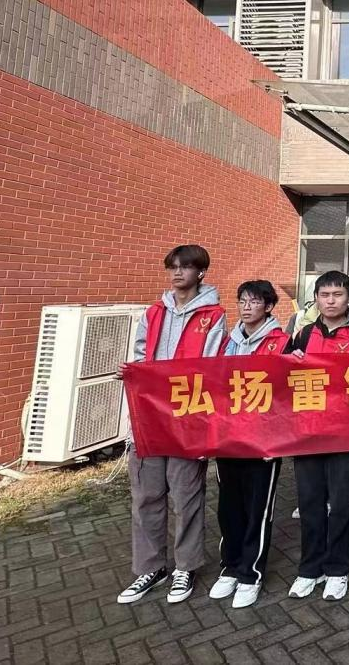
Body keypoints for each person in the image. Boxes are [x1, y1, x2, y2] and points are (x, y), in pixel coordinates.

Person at [116, 245, 227, 605]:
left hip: (187, 420)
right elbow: (140, 355)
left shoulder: (213, 315)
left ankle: (185, 566)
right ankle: (150, 567)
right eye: (173, 267)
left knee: (186, 495)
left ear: (201, 273)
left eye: (186, 267)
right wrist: (131, 373)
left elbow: (211, 366)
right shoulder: (153, 312)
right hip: (149, 419)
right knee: (146, 496)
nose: (178, 273)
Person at [285, 271, 349, 602]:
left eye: (337, 294)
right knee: (310, 504)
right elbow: (284, 384)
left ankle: (338, 569)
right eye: (324, 294)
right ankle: (310, 568)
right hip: (308, 434)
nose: (331, 300)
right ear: (316, 298)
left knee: (342, 505)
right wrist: (288, 362)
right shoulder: (304, 334)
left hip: (345, 434)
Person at [208, 280, 289, 609]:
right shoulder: (227, 342)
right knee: (229, 507)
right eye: (242, 301)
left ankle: (250, 573)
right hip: (228, 438)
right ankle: (230, 566)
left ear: (268, 307)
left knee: (258, 509)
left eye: (254, 302)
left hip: (263, 442)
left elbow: (287, 395)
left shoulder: (281, 343)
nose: (246, 307)